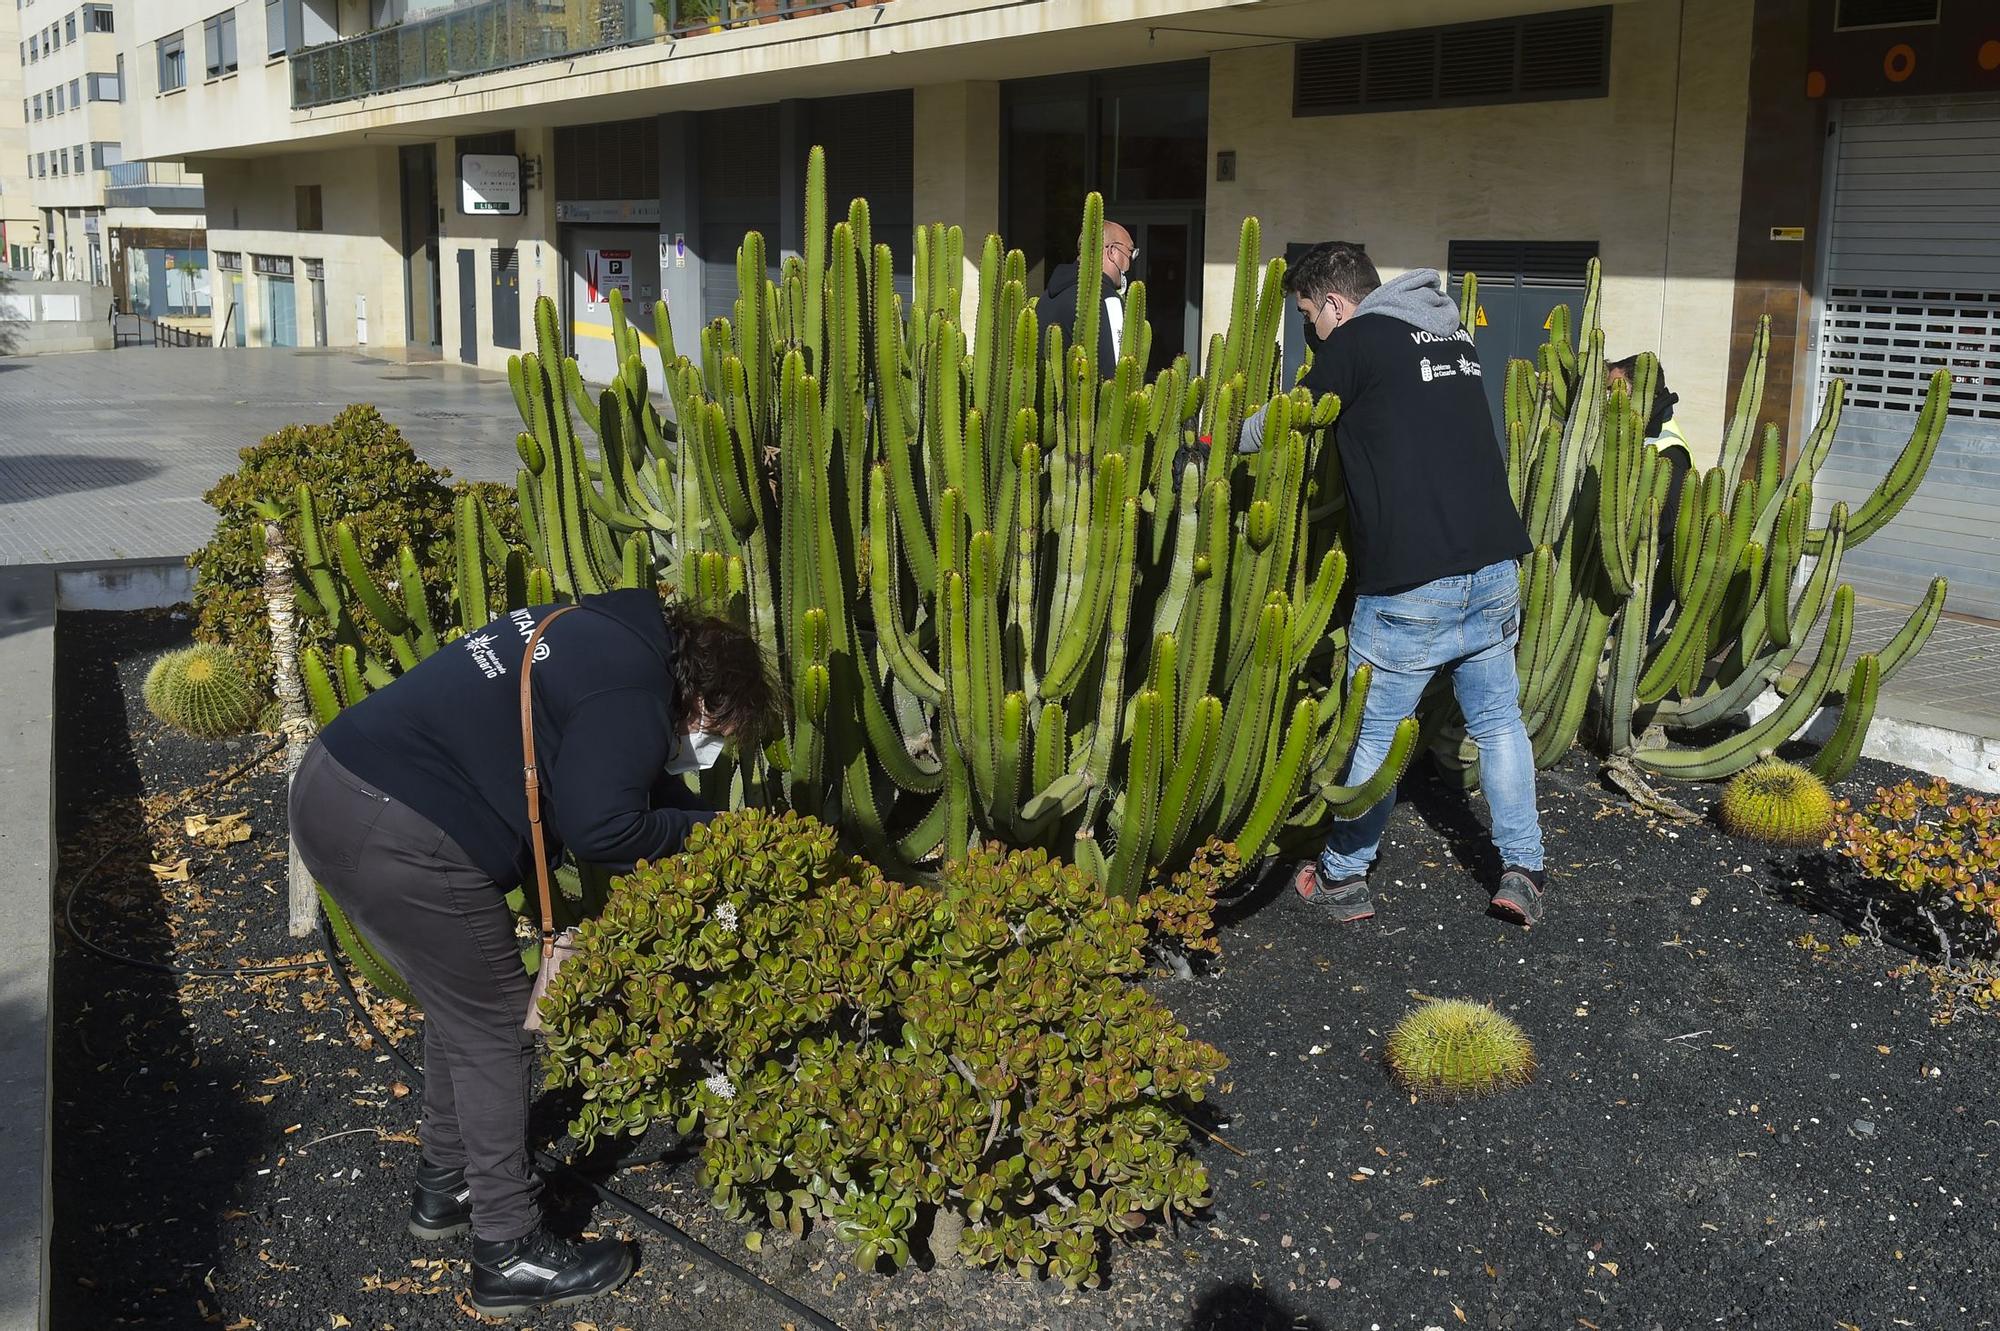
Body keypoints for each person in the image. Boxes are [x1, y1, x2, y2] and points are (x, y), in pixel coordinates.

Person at [289, 589, 779, 1317]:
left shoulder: (602, 632)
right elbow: (605, 826)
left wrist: (694, 815)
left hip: (337, 784)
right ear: (699, 697)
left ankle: (449, 1181)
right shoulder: (633, 690)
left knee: (460, 1002)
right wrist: (711, 833)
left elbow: (617, 768)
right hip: (401, 828)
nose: (709, 749)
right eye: (717, 729)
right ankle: (509, 1249)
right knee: (494, 1028)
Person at [1240, 242, 1546, 927]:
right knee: (1499, 723)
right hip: (1494, 566)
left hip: (1413, 582)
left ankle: (1345, 876)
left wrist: (1212, 446)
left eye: (1308, 315)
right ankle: (1522, 869)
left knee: (1374, 732)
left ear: (1337, 304)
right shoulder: (1451, 334)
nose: (1310, 331)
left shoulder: (1359, 338)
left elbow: (1291, 417)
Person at [1607, 354, 1694, 638]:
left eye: (1616, 390)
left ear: (1642, 392)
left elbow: (1668, 518)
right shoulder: (1631, 430)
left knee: (1626, 647)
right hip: (1621, 564)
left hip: (1647, 574)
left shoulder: (1669, 447)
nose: (1610, 398)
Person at [1037, 220, 1137, 379]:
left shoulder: (1047, 297)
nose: (1131, 260)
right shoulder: (1108, 300)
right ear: (1112, 251)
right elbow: (1118, 375)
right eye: (1131, 251)